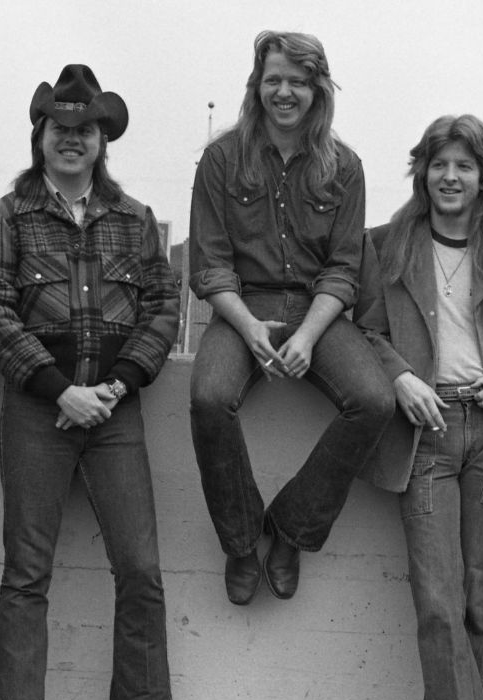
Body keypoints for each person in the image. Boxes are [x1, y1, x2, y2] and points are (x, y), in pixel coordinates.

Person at [0, 64, 179, 700]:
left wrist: (114, 386)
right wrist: (60, 389)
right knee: (27, 572)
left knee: (140, 567)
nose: (71, 138)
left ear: (101, 139)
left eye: (84, 128)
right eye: (59, 126)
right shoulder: (6, 217)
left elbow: (163, 308)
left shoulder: (136, 221)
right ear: (40, 134)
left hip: (115, 412)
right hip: (37, 410)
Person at [355, 115, 483, 700]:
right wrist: (400, 376)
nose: (451, 176)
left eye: (465, 165)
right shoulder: (386, 244)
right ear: (422, 170)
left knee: (473, 602)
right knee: (438, 603)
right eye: (440, 164)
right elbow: (365, 330)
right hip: (427, 432)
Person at [188, 30, 393, 605]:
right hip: (241, 305)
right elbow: (209, 263)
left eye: (298, 82)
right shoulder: (222, 159)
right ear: (257, 86)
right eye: (274, 79)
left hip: (316, 310)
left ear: (317, 90)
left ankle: (291, 529)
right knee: (208, 398)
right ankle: (240, 537)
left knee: (374, 401)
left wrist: (306, 334)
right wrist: (248, 326)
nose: (285, 92)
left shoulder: (344, 166)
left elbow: (344, 270)